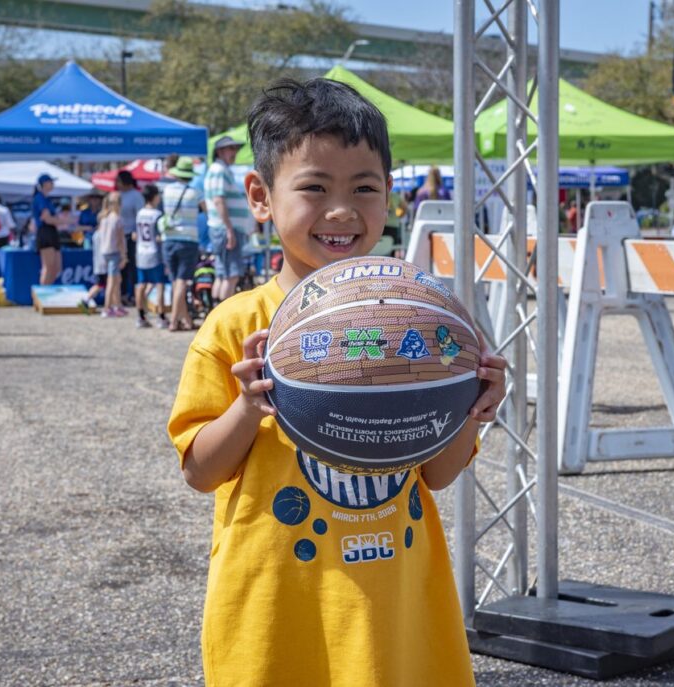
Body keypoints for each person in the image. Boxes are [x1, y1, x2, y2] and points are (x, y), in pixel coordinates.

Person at [167, 77, 507, 686]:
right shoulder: (237, 323)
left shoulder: (422, 320)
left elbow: (435, 473)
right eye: (315, 188)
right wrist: (249, 406)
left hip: (395, 612)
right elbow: (201, 472)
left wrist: (472, 408)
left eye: (365, 188)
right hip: (278, 612)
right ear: (261, 196)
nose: (343, 211)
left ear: (390, 198)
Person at [159, 156, 205, 331]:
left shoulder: (167, 190)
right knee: (182, 282)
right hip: (188, 241)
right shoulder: (195, 193)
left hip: (168, 240)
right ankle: (173, 321)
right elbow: (206, 211)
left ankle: (185, 320)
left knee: (175, 281)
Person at [204, 135, 251, 302]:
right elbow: (218, 200)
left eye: (235, 149)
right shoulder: (219, 170)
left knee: (222, 274)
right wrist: (229, 229)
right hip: (226, 229)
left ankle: (214, 311)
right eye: (231, 149)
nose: (235, 152)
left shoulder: (218, 169)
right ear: (220, 151)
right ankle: (222, 315)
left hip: (222, 228)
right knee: (231, 275)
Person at [134, 183, 166, 329]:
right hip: (154, 252)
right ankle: (161, 316)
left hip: (141, 252)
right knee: (159, 285)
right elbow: (159, 237)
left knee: (141, 285)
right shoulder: (157, 215)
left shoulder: (140, 213)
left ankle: (140, 315)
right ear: (154, 197)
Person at [32, 173, 68, 285]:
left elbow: (53, 218)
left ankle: (47, 294)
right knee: (48, 267)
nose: (53, 184)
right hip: (45, 232)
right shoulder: (40, 198)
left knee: (56, 267)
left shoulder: (47, 199)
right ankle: (42, 297)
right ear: (44, 184)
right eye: (50, 182)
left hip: (52, 232)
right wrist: (65, 221)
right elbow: (47, 219)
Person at [96, 191, 126, 318]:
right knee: (112, 282)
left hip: (104, 252)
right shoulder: (117, 219)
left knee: (116, 280)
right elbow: (120, 239)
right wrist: (124, 255)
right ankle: (107, 307)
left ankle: (117, 306)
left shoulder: (104, 218)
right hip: (114, 252)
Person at [116, 170, 143, 303]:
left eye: (119, 181)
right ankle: (121, 294)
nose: (117, 184)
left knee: (131, 267)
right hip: (119, 235)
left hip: (131, 235)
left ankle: (132, 295)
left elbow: (140, 215)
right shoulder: (118, 195)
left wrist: (136, 232)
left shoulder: (136, 196)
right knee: (121, 267)